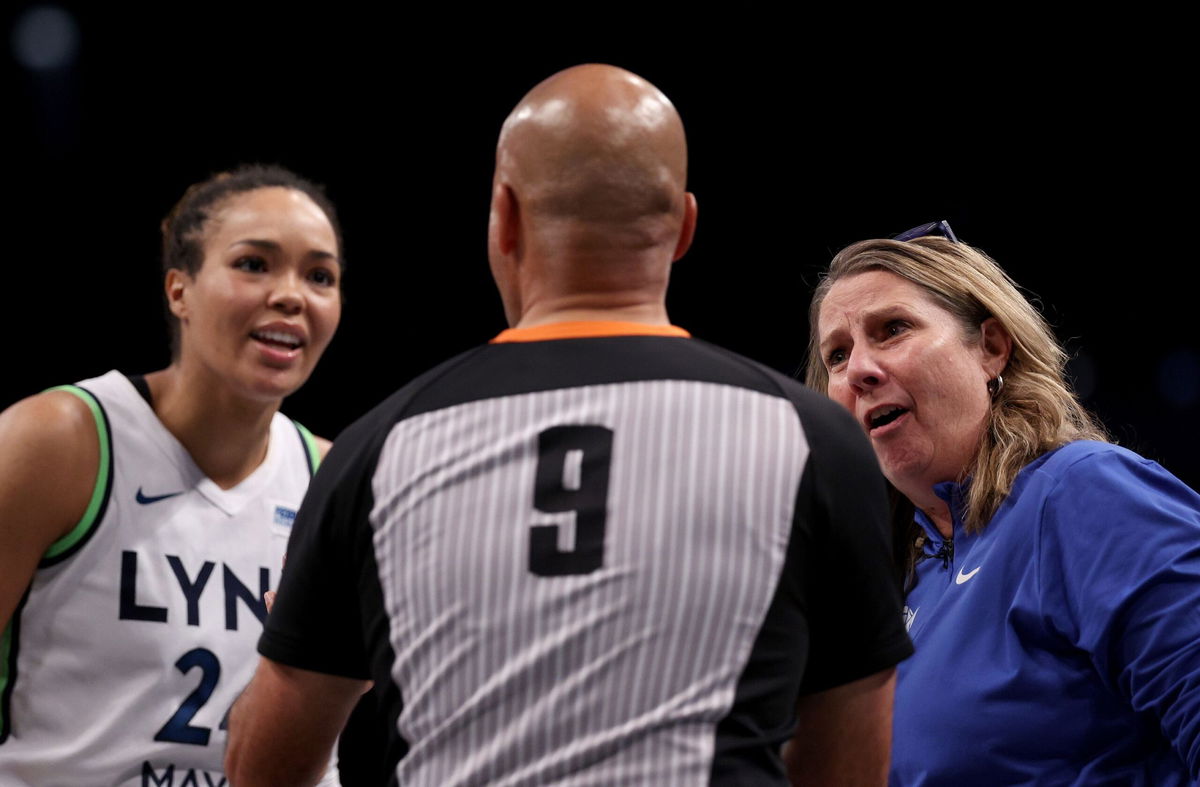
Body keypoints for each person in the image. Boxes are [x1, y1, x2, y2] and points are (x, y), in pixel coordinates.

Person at [225, 64, 913, 786]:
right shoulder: (813, 441)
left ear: (505, 217)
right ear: (683, 227)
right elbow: (848, 765)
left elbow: (263, 768)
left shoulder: (376, 449)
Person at [806, 224, 1200, 785]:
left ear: (991, 348)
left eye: (893, 329)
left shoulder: (1083, 494)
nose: (860, 371)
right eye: (837, 356)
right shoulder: (902, 584)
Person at [0, 164, 344, 785]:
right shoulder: (57, 440)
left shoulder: (334, 478)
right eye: (253, 264)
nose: (292, 294)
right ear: (178, 290)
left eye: (320, 275)